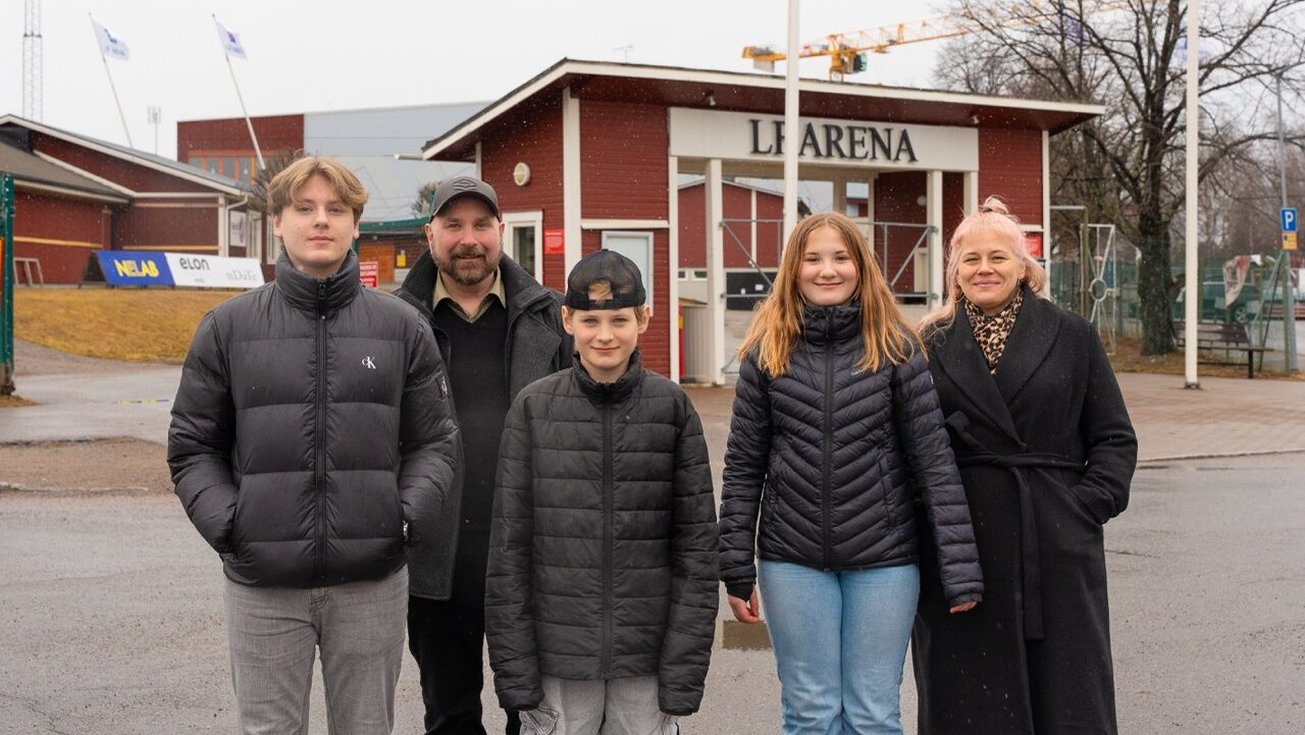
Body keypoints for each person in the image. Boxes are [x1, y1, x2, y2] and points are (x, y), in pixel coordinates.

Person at [168, 156, 459, 734]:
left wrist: (401, 519)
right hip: (263, 585)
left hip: (371, 583)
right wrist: (232, 526)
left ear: (355, 223)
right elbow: (193, 447)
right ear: (278, 221)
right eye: (304, 208)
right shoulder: (227, 328)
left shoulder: (402, 327)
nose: (321, 220)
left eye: (336, 209)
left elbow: (435, 441)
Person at [719, 212, 983, 735]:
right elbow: (744, 467)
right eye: (813, 259)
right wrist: (736, 567)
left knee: (873, 713)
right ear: (794, 270)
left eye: (841, 257)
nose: (828, 270)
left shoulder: (897, 349)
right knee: (810, 712)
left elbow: (934, 463)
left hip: (884, 561)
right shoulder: (765, 354)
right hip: (792, 561)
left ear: (861, 267)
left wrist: (960, 569)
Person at [911, 197, 1137, 735]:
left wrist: (1081, 510)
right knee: (966, 698)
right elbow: (907, 445)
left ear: (1023, 265)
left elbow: (1113, 438)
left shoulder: (1072, 334)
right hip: (961, 547)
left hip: (1054, 546)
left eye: (998, 257)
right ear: (954, 270)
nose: (983, 269)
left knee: (1067, 695)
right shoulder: (926, 343)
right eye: (970, 259)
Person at [485, 249, 719, 735]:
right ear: (567, 320)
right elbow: (509, 552)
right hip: (559, 660)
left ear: (644, 319)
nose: (605, 335)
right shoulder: (533, 410)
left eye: (619, 320)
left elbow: (696, 550)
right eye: (590, 320)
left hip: (646, 660)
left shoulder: (672, 409)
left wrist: (683, 669)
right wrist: (516, 672)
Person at [394, 175, 571, 735]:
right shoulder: (393, 323)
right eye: (453, 225)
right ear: (430, 234)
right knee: (450, 718)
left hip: (533, 560)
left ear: (500, 231)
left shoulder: (554, 317)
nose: (468, 239)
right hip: (437, 563)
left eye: (480, 225)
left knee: (538, 717)